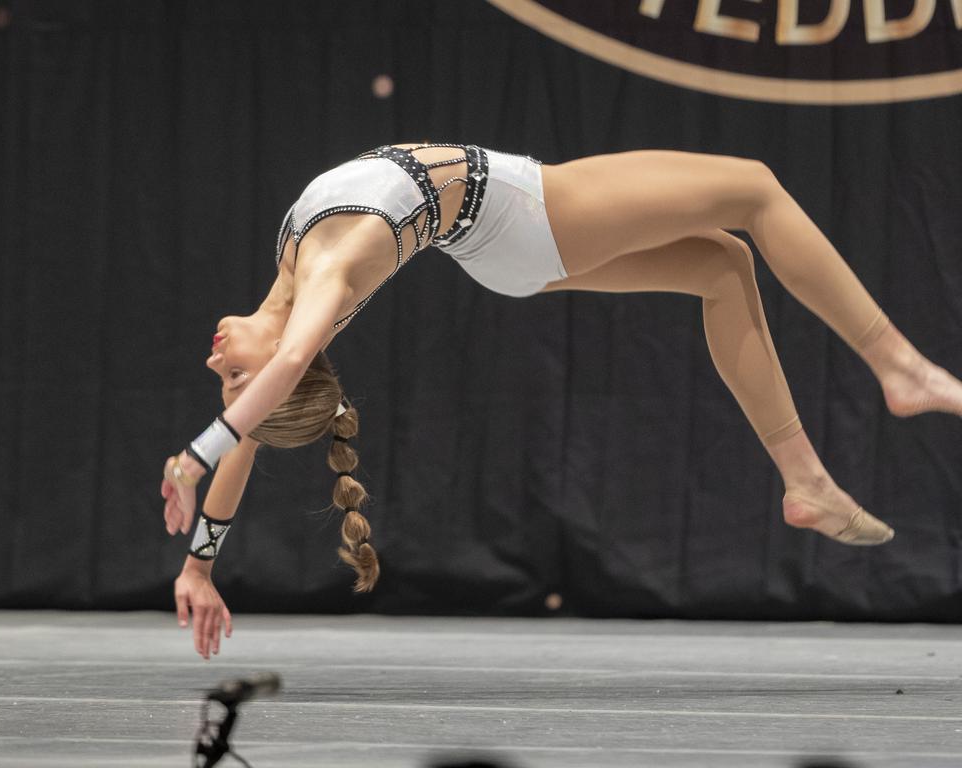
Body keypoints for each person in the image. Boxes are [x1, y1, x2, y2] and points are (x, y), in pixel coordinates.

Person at [160, 143, 962, 659]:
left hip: (498, 240)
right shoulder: (329, 272)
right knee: (755, 187)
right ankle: (900, 368)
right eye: (235, 381)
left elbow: (261, 422)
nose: (216, 361)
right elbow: (285, 368)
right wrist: (198, 453)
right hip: (524, 213)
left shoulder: (299, 281)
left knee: (722, 269)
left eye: (229, 380)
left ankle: (807, 482)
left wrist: (200, 565)